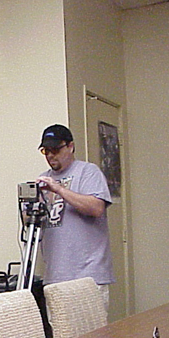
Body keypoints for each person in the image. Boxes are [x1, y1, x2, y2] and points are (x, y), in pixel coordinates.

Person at [35, 124, 115, 310]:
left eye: (55, 149)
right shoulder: (42, 179)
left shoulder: (88, 172)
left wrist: (58, 189)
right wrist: (30, 207)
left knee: (90, 329)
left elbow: (96, 208)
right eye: (46, 151)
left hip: (87, 276)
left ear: (70, 146)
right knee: (60, 328)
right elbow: (32, 224)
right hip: (55, 277)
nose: (50, 155)